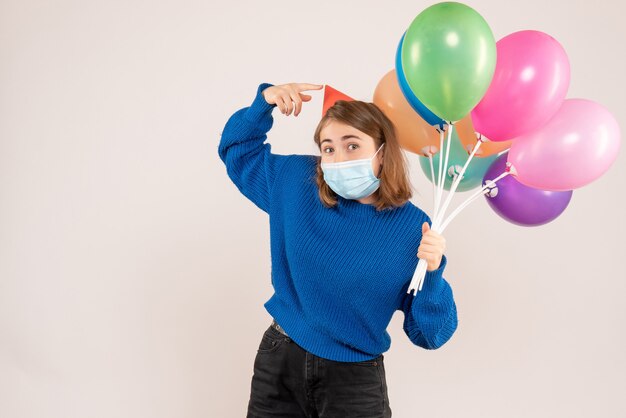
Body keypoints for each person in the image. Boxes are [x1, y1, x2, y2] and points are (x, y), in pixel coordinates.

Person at [218, 82, 458, 418]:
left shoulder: (412, 229)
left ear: (383, 151)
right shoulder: (297, 181)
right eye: (328, 148)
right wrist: (263, 104)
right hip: (281, 359)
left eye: (352, 145)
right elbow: (237, 151)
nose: (338, 159)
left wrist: (433, 275)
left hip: (354, 380)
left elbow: (430, 335)